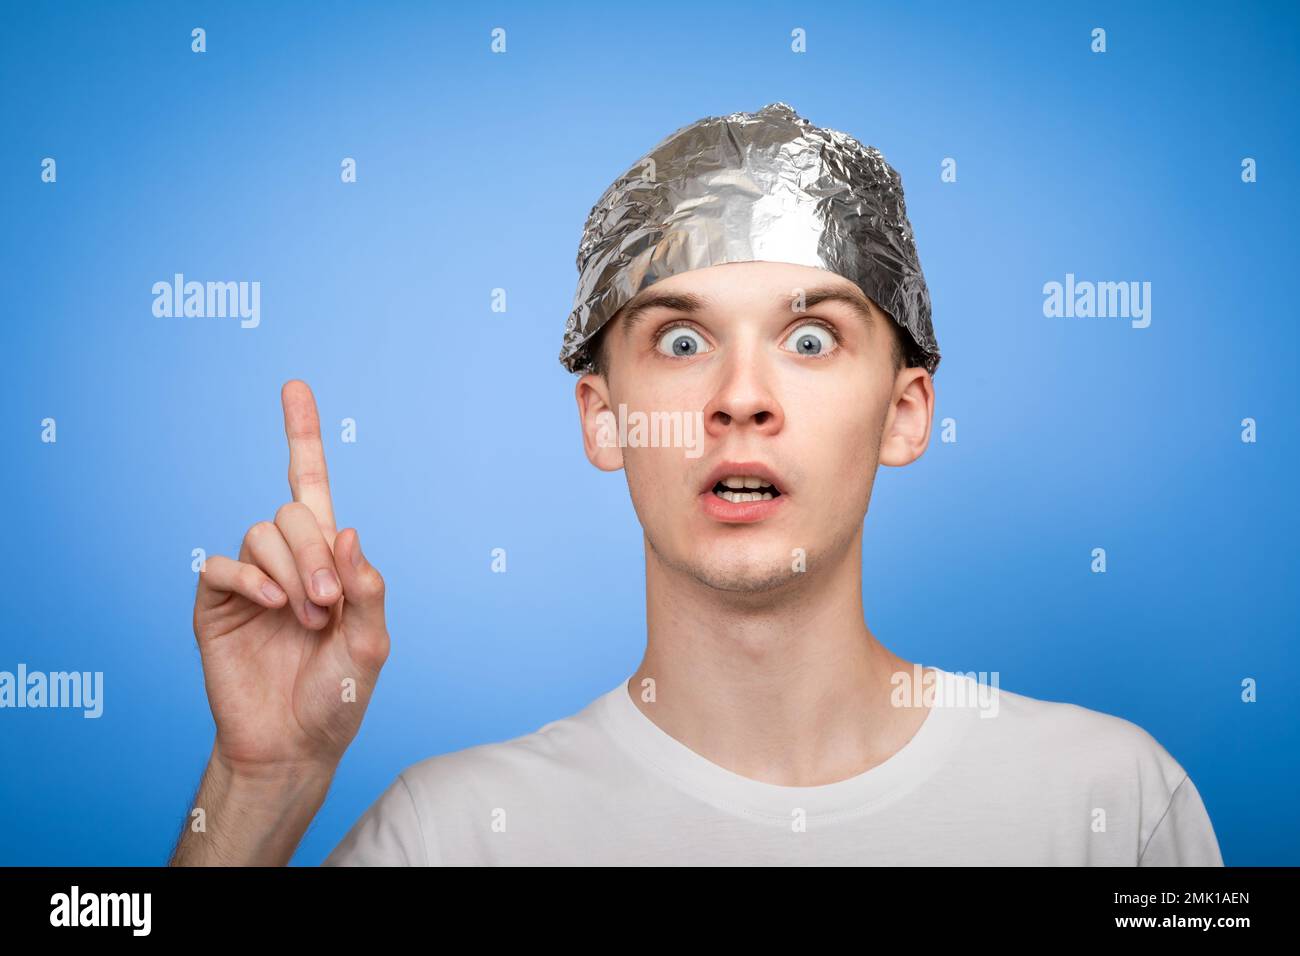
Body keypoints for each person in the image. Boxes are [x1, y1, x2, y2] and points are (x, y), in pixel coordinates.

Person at [169, 104, 1222, 866]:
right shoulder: (452, 834)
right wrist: (258, 784)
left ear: (905, 411)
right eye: (680, 338)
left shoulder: (1110, 803)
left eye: (810, 338)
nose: (739, 398)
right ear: (604, 416)